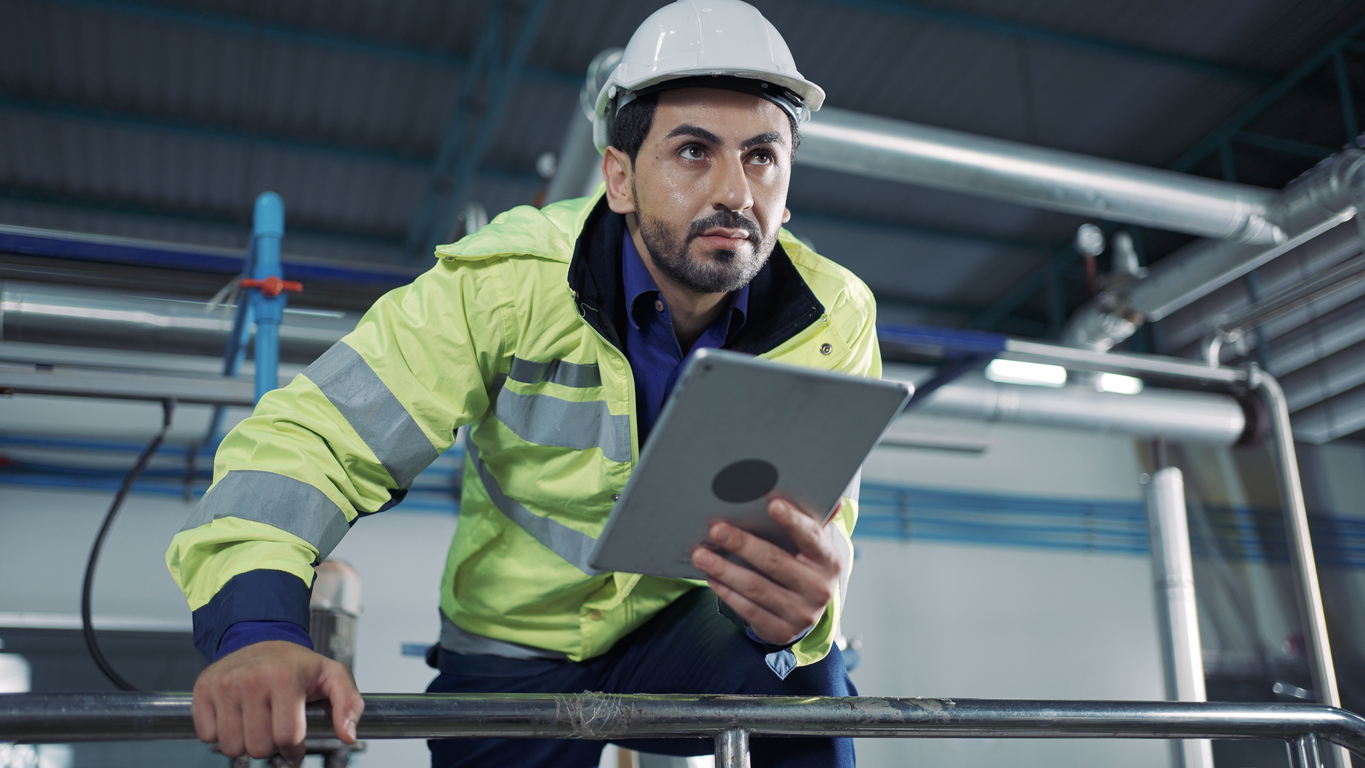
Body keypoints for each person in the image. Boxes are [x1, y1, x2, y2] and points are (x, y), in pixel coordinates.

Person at [166, 1, 881, 765]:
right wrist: (256, 632)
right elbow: (309, 443)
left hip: (690, 631)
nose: (735, 192)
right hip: (510, 645)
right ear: (619, 177)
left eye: (762, 156)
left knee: (808, 669)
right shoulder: (508, 283)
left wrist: (809, 605)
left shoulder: (830, 318)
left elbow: (813, 530)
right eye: (693, 152)